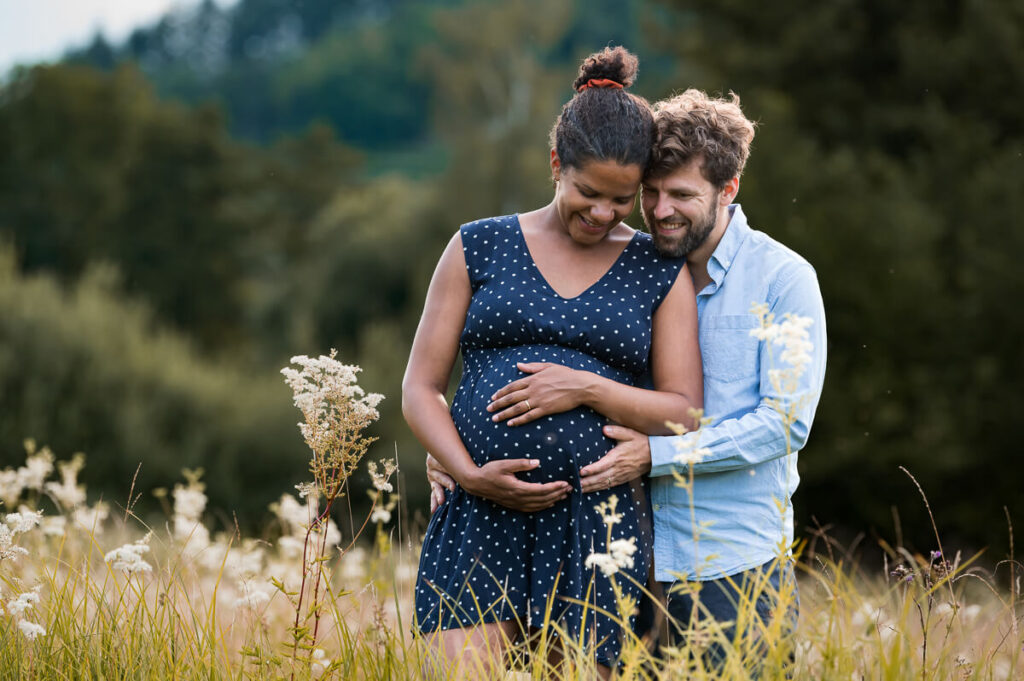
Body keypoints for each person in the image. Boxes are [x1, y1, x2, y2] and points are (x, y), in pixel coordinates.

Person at [429, 88, 827, 674]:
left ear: (729, 190)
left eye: (683, 195)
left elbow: (783, 425)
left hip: (727, 558)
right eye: (651, 193)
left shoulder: (782, 279)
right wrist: (454, 445)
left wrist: (657, 455)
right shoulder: (637, 270)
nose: (662, 210)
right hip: (623, 552)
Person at [402, 47, 703, 678]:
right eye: (588, 192)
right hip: (479, 511)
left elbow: (684, 410)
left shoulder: (658, 270)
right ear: (555, 165)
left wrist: (585, 388)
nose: (602, 214)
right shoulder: (477, 246)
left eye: (622, 201)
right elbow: (421, 387)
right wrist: (465, 470)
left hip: (599, 523)